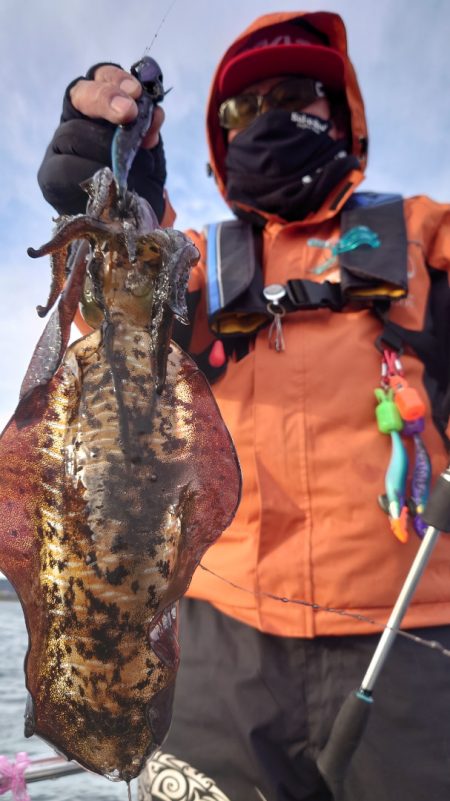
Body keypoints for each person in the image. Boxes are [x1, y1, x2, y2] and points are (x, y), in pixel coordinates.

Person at [37, 11, 450, 801]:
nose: (265, 117)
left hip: (415, 641)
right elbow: (110, 307)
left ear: (342, 116)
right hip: (220, 647)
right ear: (220, 140)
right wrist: (113, 193)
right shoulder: (197, 264)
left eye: (294, 94)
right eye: (240, 109)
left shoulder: (427, 236)